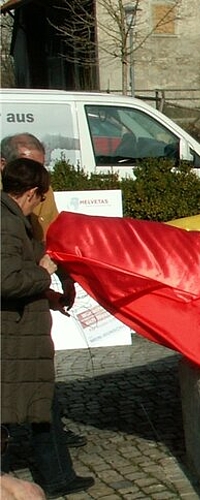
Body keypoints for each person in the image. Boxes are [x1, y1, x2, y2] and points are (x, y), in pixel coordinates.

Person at [1, 158, 95, 497]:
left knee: (38, 403)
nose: (42, 204)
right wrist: (44, 272)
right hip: (11, 337)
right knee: (9, 410)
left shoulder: (14, 221)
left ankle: (55, 474)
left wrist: (48, 292)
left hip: (20, 333)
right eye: (41, 197)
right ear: (30, 192)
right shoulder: (6, 223)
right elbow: (7, 280)